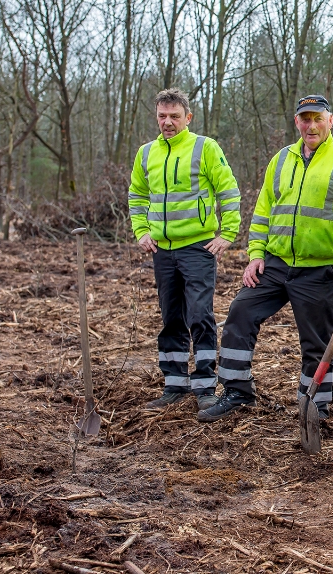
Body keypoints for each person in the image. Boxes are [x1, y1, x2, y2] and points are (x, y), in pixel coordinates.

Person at [197, 95, 333, 422]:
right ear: (297, 121)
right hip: (276, 262)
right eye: (305, 119)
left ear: (330, 121)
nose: (311, 126)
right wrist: (256, 254)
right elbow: (263, 211)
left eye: (318, 118)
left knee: (316, 339)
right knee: (241, 312)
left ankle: (314, 406)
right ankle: (236, 391)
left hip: (321, 265)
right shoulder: (282, 158)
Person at [128, 88, 242, 410]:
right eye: (162, 116)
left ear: (188, 117)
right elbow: (137, 195)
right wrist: (141, 231)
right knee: (170, 318)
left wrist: (228, 233)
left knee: (200, 315)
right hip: (162, 250)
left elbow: (228, 190)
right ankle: (174, 384)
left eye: (174, 116)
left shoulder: (205, 147)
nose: (168, 122)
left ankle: (205, 386)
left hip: (197, 247)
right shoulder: (146, 153)